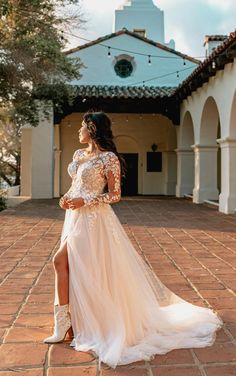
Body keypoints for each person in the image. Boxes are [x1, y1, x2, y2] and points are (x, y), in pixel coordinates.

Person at [44, 111, 223, 369]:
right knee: (69, 266)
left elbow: (115, 195)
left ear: (92, 129)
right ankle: (65, 324)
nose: (78, 131)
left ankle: (84, 323)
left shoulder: (109, 158)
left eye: (82, 127)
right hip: (75, 217)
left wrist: (87, 201)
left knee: (65, 263)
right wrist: (67, 198)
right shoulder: (78, 155)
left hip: (95, 220)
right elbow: (75, 186)